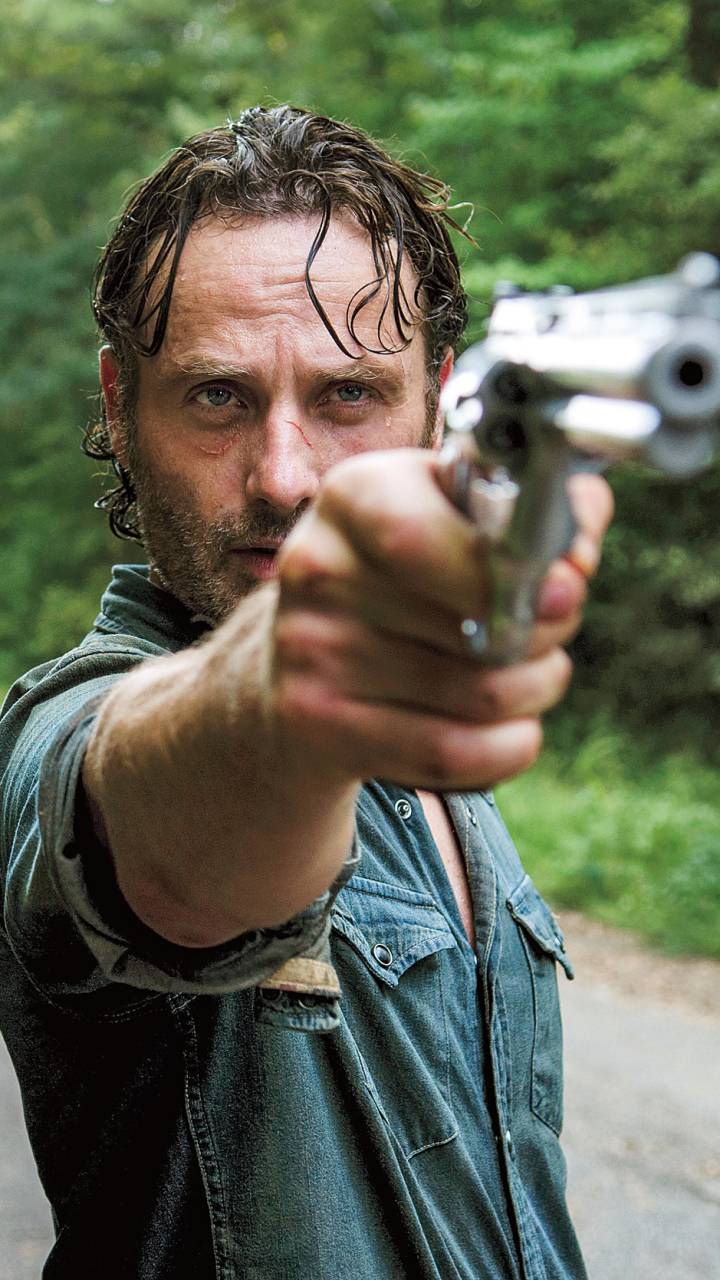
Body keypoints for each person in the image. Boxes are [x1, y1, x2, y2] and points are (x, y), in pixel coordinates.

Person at [0, 105, 610, 1279]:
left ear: (438, 397)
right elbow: (159, 824)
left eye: (348, 396)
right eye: (218, 397)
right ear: (121, 407)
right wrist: (297, 683)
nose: (284, 477)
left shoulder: (414, 729)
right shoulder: (68, 730)